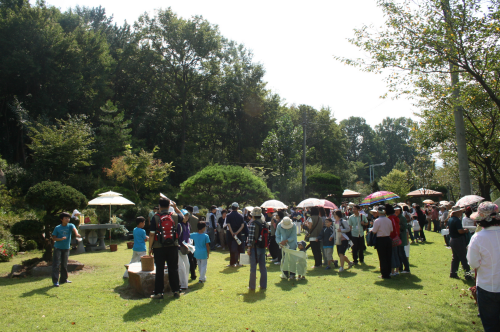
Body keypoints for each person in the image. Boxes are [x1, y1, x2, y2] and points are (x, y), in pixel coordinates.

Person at [467, 202, 500, 332]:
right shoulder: (478, 238)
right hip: (488, 286)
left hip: (488, 287)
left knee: (491, 326)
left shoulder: (478, 238)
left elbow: (473, 264)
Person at [148, 197, 182, 299]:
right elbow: (184, 218)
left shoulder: (155, 217)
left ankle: (159, 292)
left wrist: (150, 248)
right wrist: (176, 208)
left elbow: (152, 234)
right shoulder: (175, 216)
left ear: (159, 206)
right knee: (173, 268)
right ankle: (176, 290)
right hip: (173, 246)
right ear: (169, 206)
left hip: (159, 247)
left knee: (160, 270)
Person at [52, 212, 81, 287]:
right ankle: (55, 281)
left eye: (68, 218)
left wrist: (77, 234)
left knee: (64, 265)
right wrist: (60, 239)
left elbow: (75, 230)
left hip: (66, 248)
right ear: (61, 219)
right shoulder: (57, 228)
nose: (67, 219)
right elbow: (53, 238)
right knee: (56, 264)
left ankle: (63, 279)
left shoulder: (70, 225)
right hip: (57, 248)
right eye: (66, 218)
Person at [447, 206, 472, 280]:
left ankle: (453, 273)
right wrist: (465, 231)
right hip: (458, 240)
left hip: (452, 240)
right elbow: (460, 231)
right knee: (464, 258)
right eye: (460, 211)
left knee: (455, 258)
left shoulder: (450, 219)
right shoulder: (457, 220)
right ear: (457, 212)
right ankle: (468, 275)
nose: (461, 213)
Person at [246, 207, 267, 290]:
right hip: (262, 247)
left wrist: (248, 248)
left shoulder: (253, 224)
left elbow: (250, 238)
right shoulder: (264, 223)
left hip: (255, 248)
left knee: (253, 268)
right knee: (263, 267)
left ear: (253, 215)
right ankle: (263, 285)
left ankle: (252, 286)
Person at [371, 207, 393, 279]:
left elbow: (374, 231)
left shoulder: (377, 221)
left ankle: (384, 273)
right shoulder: (388, 220)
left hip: (380, 239)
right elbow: (391, 230)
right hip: (388, 239)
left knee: (382, 257)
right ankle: (388, 272)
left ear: (378, 212)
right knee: (388, 256)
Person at [226, 202, 245, 267]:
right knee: (240, 248)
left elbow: (228, 225)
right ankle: (240, 262)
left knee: (231, 248)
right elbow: (242, 225)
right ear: (237, 208)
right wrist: (237, 232)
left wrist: (233, 233)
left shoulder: (228, 215)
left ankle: (232, 263)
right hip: (239, 234)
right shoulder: (241, 216)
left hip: (230, 234)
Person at [177, 210, 191, 291]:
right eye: (185, 215)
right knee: (181, 266)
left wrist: (189, 244)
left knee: (187, 265)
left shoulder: (188, 225)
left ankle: (184, 283)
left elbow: (188, 236)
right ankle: (182, 284)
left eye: (187, 216)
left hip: (185, 248)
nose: (186, 217)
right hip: (179, 248)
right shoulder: (179, 225)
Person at [394, 206, 410, 274]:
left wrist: (399, 226)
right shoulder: (395, 217)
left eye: (398, 210)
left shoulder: (402, 217)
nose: (396, 211)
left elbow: (405, 226)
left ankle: (407, 268)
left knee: (402, 253)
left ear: (400, 210)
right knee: (398, 253)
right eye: (395, 210)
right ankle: (400, 267)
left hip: (401, 237)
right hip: (397, 237)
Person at [185, 205, 199, 280]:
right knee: (193, 253)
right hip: (194, 237)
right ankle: (194, 265)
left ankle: (191, 267)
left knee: (189, 254)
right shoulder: (196, 219)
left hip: (187, 238)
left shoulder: (185, 217)